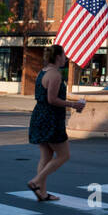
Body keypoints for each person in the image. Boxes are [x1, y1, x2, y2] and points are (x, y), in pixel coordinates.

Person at [26, 45, 85, 201]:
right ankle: (36, 181)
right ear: (58, 56)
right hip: (50, 118)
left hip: (39, 116)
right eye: (64, 55)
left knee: (46, 156)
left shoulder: (42, 72)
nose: (66, 58)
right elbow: (52, 99)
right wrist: (73, 105)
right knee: (64, 155)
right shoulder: (55, 75)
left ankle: (42, 192)